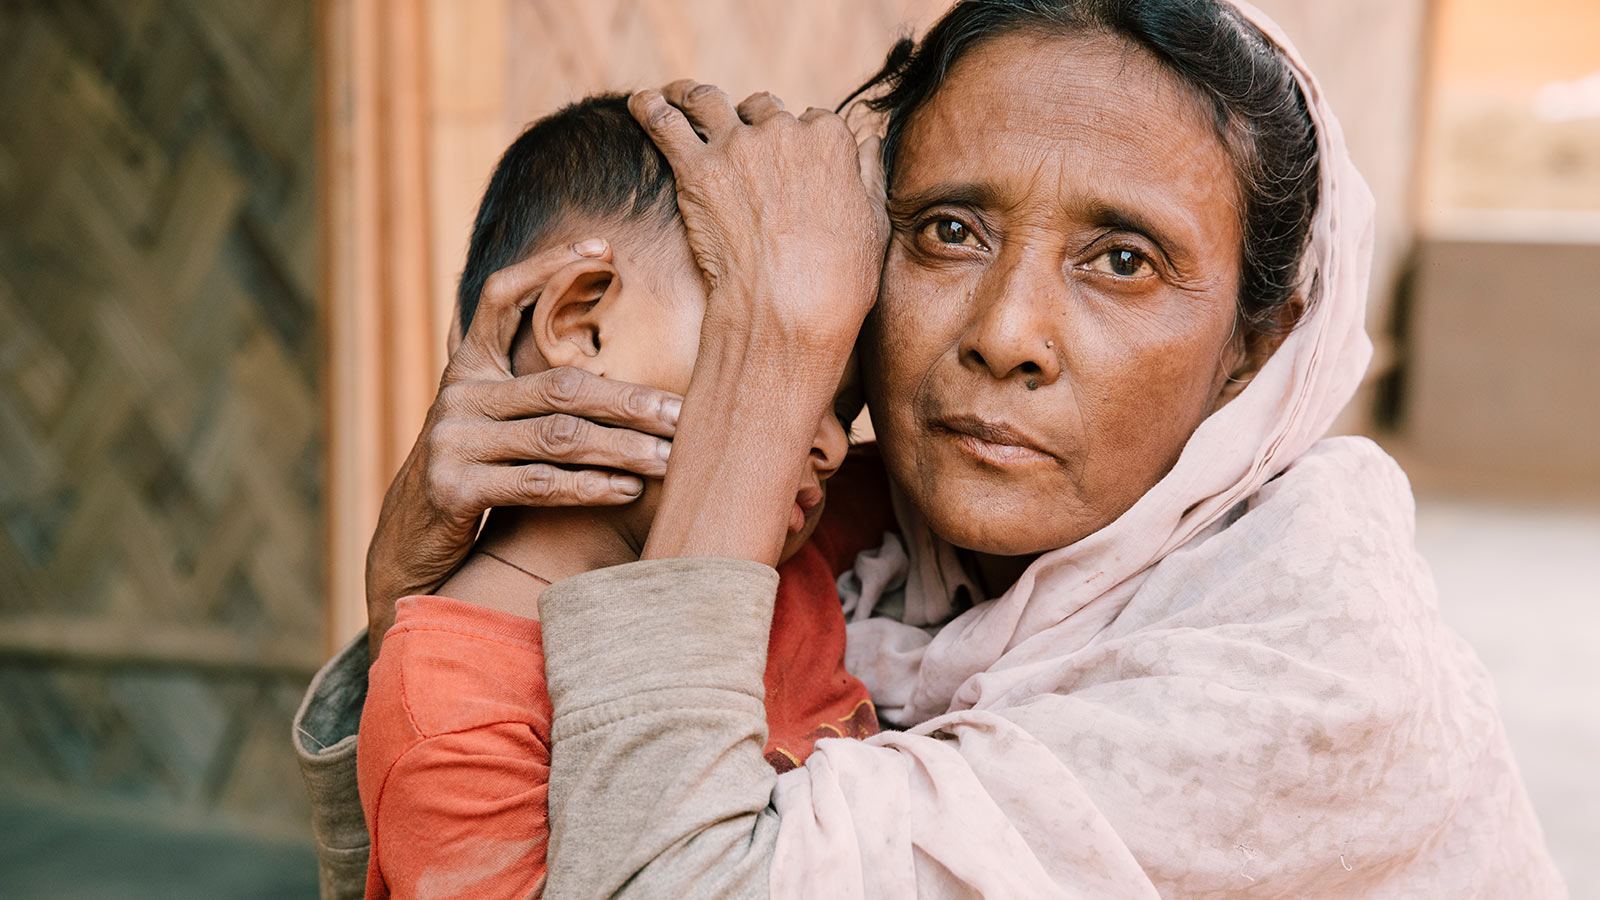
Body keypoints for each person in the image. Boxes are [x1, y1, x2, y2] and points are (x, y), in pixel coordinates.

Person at [299, 0, 1566, 897]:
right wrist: (412, 588)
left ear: (1257, 345)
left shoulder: (1306, 686)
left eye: (1122, 260)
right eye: (949, 230)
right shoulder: (889, 539)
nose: (1005, 333)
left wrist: (771, 340)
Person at [344, 93, 891, 900]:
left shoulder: (806, 534)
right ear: (582, 323)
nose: (837, 442)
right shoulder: (450, 701)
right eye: (770, 345)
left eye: (841, 401)